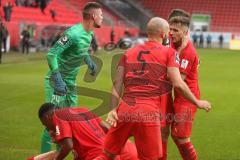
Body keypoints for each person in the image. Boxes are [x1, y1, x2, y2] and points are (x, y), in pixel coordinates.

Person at [102, 17, 211, 159]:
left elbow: (117, 82)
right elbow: (178, 83)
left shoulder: (129, 52)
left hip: (125, 110)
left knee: (108, 154)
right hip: (148, 112)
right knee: (151, 157)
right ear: (163, 34)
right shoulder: (169, 53)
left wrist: (112, 109)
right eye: (168, 31)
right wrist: (197, 102)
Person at [41, 2, 103, 153]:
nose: (102, 18)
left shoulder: (89, 33)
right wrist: (57, 78)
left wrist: (89, 61)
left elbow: (81, 51)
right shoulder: (73, 34)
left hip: (70, 84)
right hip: (57, 82)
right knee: (52, 123)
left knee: (71, 123)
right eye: (101, 16)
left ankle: (69, 154)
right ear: (93, 17)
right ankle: (44, 156)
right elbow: (51, 55)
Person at [169, 15, 210, 160]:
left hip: (187, 98)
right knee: (175, 135)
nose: (171, 33)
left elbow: (178, 80)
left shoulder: (188, 51)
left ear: (185, 33)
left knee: (182, 137)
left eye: (175, 30)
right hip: (180, 96)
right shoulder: (174, 42)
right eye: (170, 29)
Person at [38, 103, 138, 160]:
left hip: (98, 155)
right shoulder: (82, 109)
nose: (48, 129)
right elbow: (106, 128)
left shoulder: (58, 116)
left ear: (47, 117)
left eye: (45, 124)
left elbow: (68, 145)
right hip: (111, 152)